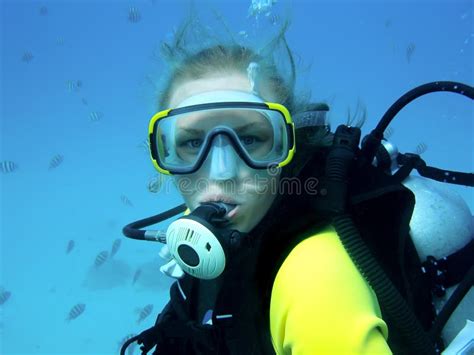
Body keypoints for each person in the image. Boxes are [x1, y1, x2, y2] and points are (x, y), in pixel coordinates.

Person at [122, 14, 473, 355]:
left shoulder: (315, 283)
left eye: (250, 139)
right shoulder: (237, 215)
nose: (221, 173)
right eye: (192, 144)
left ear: (289, 149)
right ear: (163, 152)